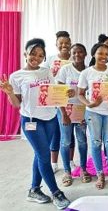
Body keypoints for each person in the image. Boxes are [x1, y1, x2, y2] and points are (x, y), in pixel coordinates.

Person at [0, 38, 71, 209]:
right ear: (26, 53)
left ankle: (34, 190)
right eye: (33, 54)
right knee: (44, 155)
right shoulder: (16, 76)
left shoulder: (46, 72)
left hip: (50, 119)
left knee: (40, 154)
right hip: (31, 121)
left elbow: (55, 93)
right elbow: (17, 104)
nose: (36, 58)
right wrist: (9, 92)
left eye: (41, 55)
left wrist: (64, 101)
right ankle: (56, 192)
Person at [78, 43, 108, 190]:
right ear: (93, 54)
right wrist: (89, 104)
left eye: (106, 54)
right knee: (96, 143)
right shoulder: (86, 73)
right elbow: (80, 94)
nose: (103, 56)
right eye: (100, 53)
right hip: (93, 112)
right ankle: (100, 174)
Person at [56, 43, 91, 187]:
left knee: (82, 140)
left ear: (85, 54)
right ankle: (67, 172)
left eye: (80, 52)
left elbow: (92, 92)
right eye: (74, 52)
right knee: (65, 141)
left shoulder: (89, 71)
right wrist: (63, 113)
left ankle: (83, 169)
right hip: (66, 110)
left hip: (82, 109)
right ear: (71, 54)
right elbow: (57, 93)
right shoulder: (65, 70)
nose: (77, 55)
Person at [42, 31, 72, 173]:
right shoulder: (50, 59)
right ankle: (54, 163)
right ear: (56, 45)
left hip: (71, 100)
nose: (64, 45)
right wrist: (52, 75)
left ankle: (70, 161)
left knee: (69, 133)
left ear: (70, 44)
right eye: (61, 43)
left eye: (66, 43)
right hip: (55, 100)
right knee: (55, 132)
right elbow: (43, 78)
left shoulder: (75, 58)